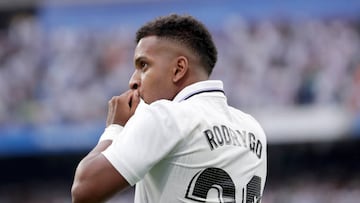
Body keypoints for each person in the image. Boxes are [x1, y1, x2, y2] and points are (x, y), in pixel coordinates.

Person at [71, 14, 267, 203]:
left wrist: (114, 129)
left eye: (144, 65)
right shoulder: (252, 128)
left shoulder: (164, 115)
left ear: (179, 69)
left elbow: (83, 190)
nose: (133, 80)